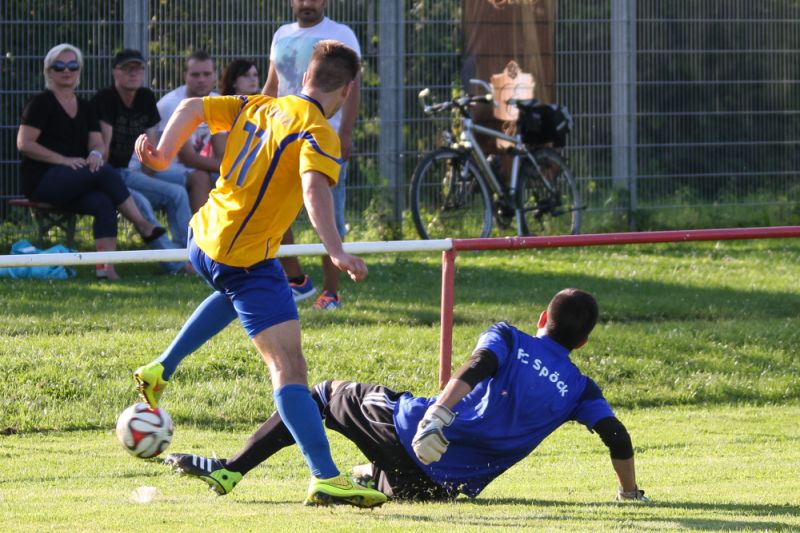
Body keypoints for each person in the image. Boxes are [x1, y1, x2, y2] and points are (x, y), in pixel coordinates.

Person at [133, 40, 386, 508]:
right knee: (289, 366)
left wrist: (163, 155)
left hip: (203, 238)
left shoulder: (261, 104)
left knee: (239, 298)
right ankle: (326, 476)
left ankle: (160, 368)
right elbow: (314, 189)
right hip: (243, 258)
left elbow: (191, 107)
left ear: (305, 78)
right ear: (349, 89)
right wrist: (335, 250)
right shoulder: (318, 131)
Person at [164, 288, 648, 503]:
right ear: (583, 343)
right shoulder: (581, 389)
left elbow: (477, 366)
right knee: (385, 471)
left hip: (411, 432)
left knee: (320, 395)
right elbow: (617, 436)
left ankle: (231, 470)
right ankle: (367, 475)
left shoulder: (510, 336)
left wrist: (438, 414)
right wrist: (628, 493)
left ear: (542, 318)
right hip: (438, 488)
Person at [16, 43, 165, 280]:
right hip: (42, 180)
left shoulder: (85, 106)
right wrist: (63, 160)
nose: (67, 71)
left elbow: (97, 144)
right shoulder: (40, 103)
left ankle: (106, 270)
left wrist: (95, 155)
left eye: (72, 66)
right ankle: (142, 224)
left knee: (103, 202)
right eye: (59, 66)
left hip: (75, 178)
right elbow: (24, 143)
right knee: (104, 172)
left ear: (79, 70)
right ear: (49, 71)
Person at [263, 0, 362, 310]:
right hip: (283, 139)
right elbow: (272, 86)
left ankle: (331, 294)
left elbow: (352, 89)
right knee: (272, 211)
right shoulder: (281, 34)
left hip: (324, 139)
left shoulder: (341, 34)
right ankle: (297, 281)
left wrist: (345, 133)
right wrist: (260, 125)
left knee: (328, 216)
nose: (307, 3)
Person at [91, 49, 193, 275]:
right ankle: (176, 266)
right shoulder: (104, 99)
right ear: (115, 72)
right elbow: (103, 149)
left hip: (127, 172)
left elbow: (151, 145)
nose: (134, 73)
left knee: (177, 192)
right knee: (142, 203)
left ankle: (189, 256)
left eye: (138, 68)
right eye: (127, 69)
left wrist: (149, 172)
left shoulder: (146, 98)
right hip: (105, 175)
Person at [142, 50, 222, 213]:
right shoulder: (173, 104)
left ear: (215, 75)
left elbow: (222, 153)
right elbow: (188, 158)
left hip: (191, 166)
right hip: (156, 168)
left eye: (207, 74)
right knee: (201, 177)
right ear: (185, 76)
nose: (201, 80)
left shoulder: (218, 102)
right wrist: (235, 169)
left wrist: (237, 171)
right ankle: (200, 230)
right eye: (195, 75)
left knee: (241, 179)